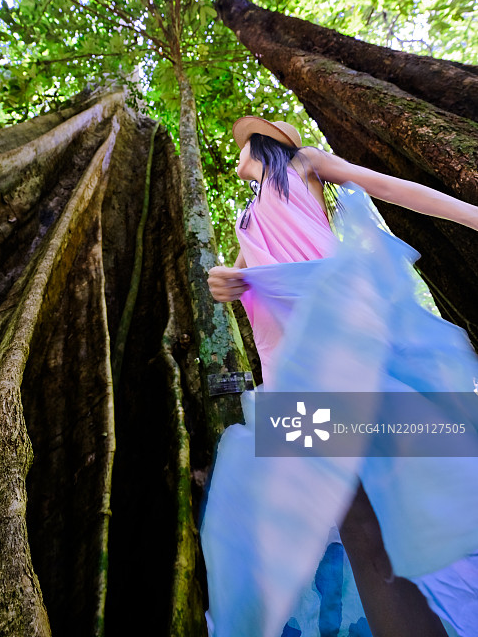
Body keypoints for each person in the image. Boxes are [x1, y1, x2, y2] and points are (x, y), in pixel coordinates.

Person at [200, 116, 478, 637]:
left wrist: (474, 215)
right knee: (353, 518)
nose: (236, 153)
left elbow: (390, 188)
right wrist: (224, 280)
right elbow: (236, 281)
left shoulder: (303, 163)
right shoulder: (246, 218)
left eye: (242, 144)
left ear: (261, 145)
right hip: (287, 370)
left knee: (403, 483)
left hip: (344, 342)